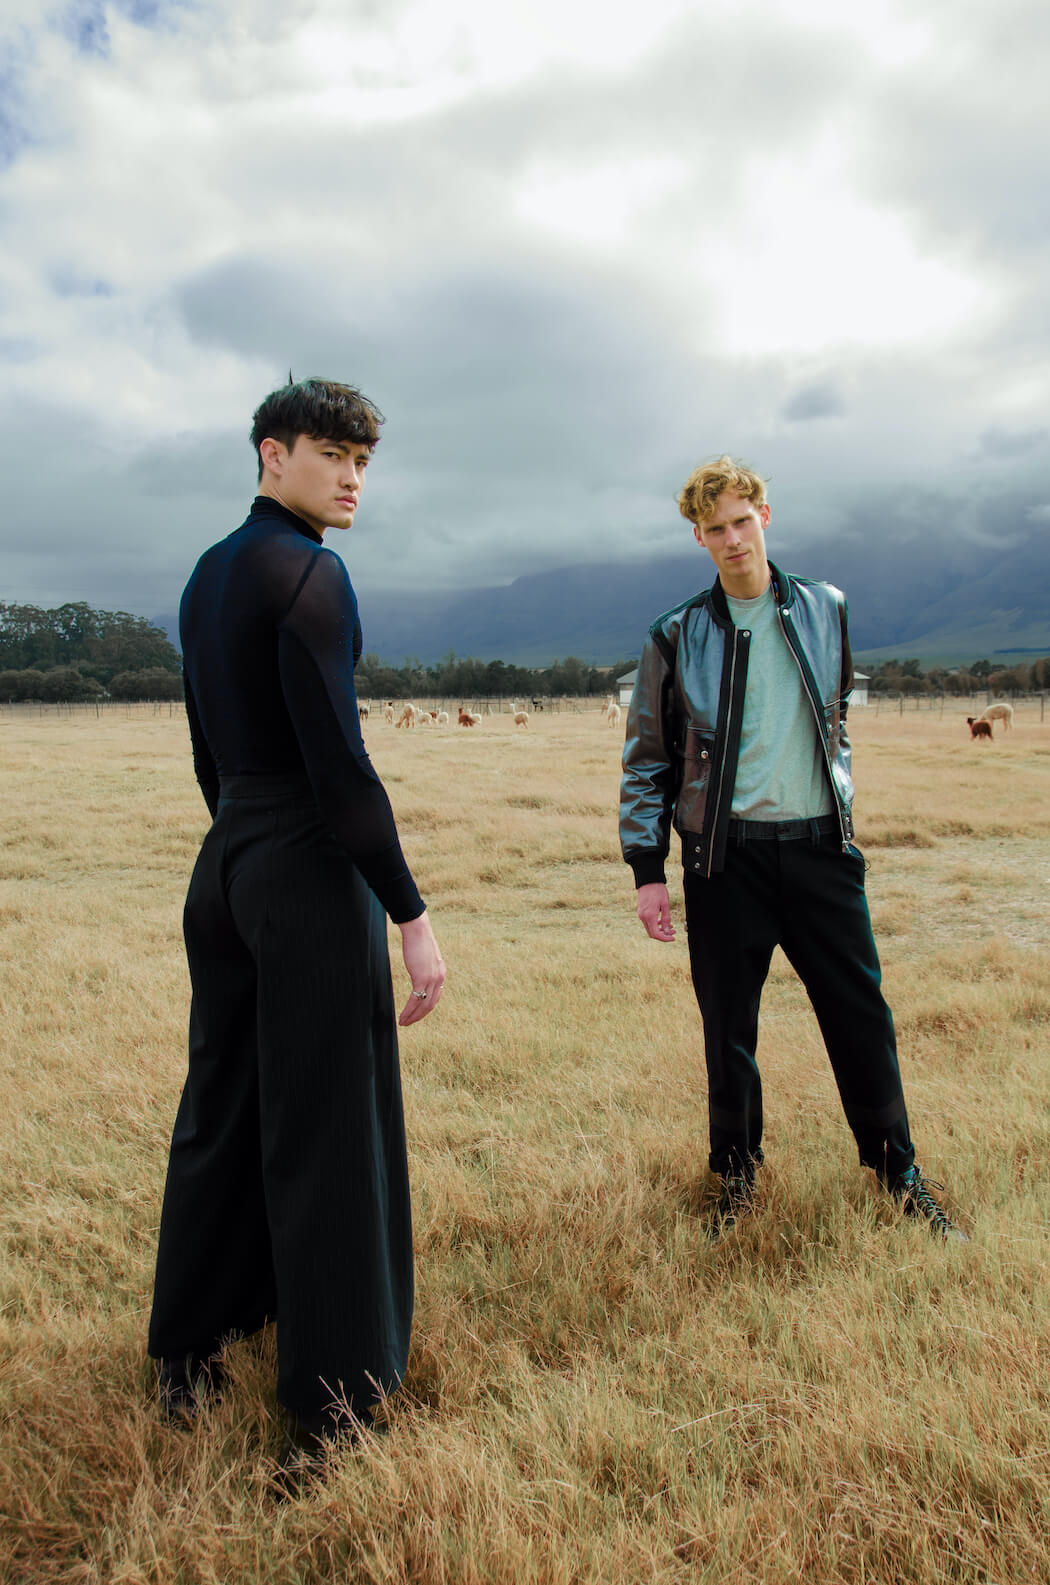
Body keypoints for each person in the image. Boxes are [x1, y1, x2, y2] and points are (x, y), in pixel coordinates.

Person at [148, 378, 446, 1476]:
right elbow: (342, 769)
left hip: (226, 860)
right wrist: (409, 911)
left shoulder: (207, 572)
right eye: (331, 455)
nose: (352, 479)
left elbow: (206, 745)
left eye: (363, 461)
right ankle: (333, 1407)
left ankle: (187, 1351)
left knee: (222, 1103)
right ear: (273, 454)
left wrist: (239, 847)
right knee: (326, 1126)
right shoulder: (313, 574)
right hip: (306, 867)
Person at [619, 456, 961, 1240]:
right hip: (725, 861)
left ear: (765, 517)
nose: (733, 539)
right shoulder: (675, 634)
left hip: (820, 852)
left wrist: (838, 804)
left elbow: (834, 717)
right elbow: (647, 760)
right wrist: (647, 870)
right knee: (728, 1029)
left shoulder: (825, 608)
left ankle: (898, 1171)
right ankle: (736, 1178)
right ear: (699, 538)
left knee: (861, 1014)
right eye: (715, 529)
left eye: (743, 521)